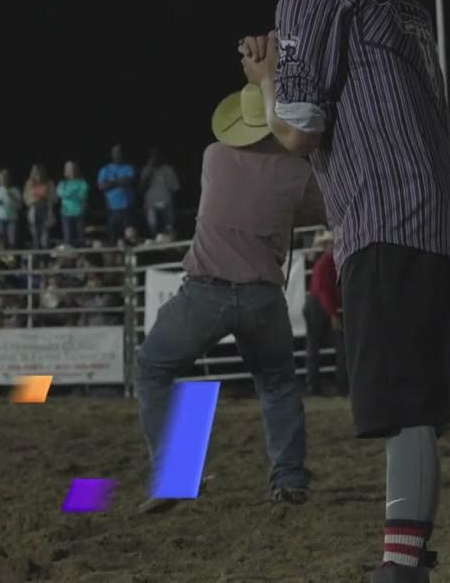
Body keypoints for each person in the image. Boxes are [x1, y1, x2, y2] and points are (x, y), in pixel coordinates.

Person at [230, 0, 450, 577]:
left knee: (401, 399)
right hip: (439, 211)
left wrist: (265, 80)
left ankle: (399, 569)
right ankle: (407, 558)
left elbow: (300, 131)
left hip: (384, 211)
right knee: (419, 397)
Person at [135, 83, 326, 514]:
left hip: (206, 290)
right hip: (262, 296)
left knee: (153, 365)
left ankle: (178, 473)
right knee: (277, 383)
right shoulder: (298, 174)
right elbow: (321, 209)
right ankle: (289, 479)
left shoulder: (214, 157)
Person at [304, 230, 343, 396]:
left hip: (317, 305)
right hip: (320, 306)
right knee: (328, 344)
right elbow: (324, 291)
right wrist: (333, 314)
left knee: (315, 346)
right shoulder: (327, 263)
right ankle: (338, 384)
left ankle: (314, 384)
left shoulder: (325, 262)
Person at [98, 145, 136, 245]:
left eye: (119, 152)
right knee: (113, 238)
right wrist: (119, 181)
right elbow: (102, 186)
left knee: (129, 238)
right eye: (115, 152)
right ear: (111, 154)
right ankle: (114, 260)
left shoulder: (128, 167)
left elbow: (128, 181)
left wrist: (110, 183)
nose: (117, 154)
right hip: (111, 210)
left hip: (127, 209)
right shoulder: (105, 169)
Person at [141, 148, 181, 238]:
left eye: (156, 155)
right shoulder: (145, 170)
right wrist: (149, 168)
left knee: (169, 228)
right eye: (152, 155)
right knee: (153, 227)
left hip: (166, 204)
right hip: (151, 205)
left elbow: (175, 189)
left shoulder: (168, 169)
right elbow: (142, 187)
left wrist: (173, 204)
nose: (155, 157)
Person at [57, 161, 89, 247]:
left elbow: (82, 196)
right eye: (68, 168)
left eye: (72, 168)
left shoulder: (82, 182)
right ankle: (69, 259)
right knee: (68, 239)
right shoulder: (62, 183)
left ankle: (82, 258)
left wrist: (68, 194)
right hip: (66, 214)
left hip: (79, 213)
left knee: (81, 239)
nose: (70, 170)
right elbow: (60, 194)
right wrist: (74, 192)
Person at [24, 164, 55, 250]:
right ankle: (36, 260)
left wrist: (45, 199)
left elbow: (54, 198)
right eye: (35, 171)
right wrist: (33, 201)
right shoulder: (29, 183)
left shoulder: (49, 183)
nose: (37, 173)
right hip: (34, 212)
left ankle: (45, 261)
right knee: (35, 238)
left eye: (39, 171)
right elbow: (26, 198)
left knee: (45, 238)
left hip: (45, 211)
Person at [0, 169, 23, 249]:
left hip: (12, 218)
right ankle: (3, 259)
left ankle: (12, 260)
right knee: (1, 240)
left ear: (8, 179)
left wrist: (12, 197)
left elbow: (20, 206)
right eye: (1, 178)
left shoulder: (15, 190)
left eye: (4, 178)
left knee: (12, 241)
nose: (3, 180)